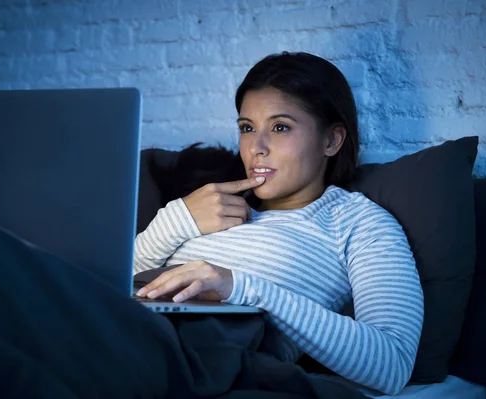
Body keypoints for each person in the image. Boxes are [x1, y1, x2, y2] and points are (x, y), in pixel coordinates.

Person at [134, 51, 424, 396]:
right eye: (247, 128)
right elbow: (110, 279)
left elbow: (391, 365)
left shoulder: (359, 223)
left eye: (280, 127)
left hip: (213, 349)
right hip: (136, 321)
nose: (256, 147)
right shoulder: (210, 206)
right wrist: (175, 220)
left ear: (332, 140)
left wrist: (238, 286)